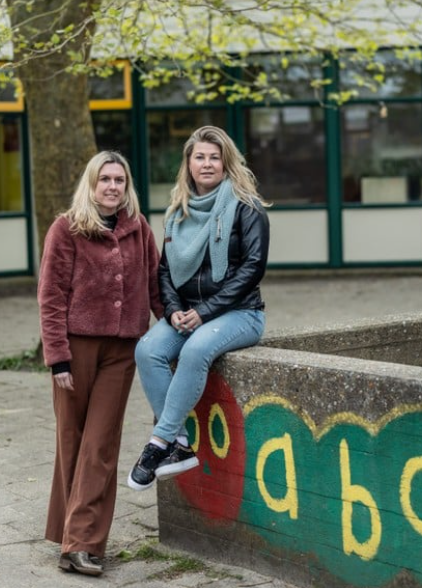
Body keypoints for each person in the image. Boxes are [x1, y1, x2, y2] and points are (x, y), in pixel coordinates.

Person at [37, 151, 163, 576]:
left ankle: (81, 544)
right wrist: (57, 358)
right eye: (105, 179)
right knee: (71, 442)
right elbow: (50, 296)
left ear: (127, 186)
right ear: (91, 185)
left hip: (121, 352)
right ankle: (68, 534)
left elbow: (156, 286)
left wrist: (175, 325)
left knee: (100, 445)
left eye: (119, 180)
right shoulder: (66, 228)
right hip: (75, 350)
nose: (112, 186)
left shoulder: (139, 229)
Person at [127, 125, 269, 491]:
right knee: (147, 350)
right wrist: (173, 309)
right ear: (188, 164)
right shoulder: (178, 212)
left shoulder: (247, 207)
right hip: (188, 312)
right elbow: (164, 270)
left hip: (241, 314)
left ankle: (159, 442)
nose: (207, 164)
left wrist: (205, 311)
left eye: (214, 157)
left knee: (194, 350)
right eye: (200, 157)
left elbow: (253, 268)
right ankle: (180, 444)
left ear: (226, 163)